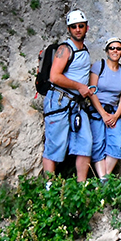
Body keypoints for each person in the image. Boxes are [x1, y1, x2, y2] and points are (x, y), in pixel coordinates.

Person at [42, 10, 93, 182]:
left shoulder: (83, 50)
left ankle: (81, 186)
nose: (78, 29)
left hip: (76, 104)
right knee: (55, 144)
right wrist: (79, 86)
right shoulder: (65, 49)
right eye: (74, 26)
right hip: (59, 101)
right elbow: (54, 77)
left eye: (81, 26)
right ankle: (49, 188)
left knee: (85, 143)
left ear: (86, 27)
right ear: (69, 29)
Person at [88, 37, 121, 182]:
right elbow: (92, 91)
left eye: (118, 48)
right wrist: (103, 114)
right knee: (98, 143)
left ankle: (103, 178)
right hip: (97, 110)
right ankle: (104, 180)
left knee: (116, 143)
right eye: (112, 48)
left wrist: (115, 116)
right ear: (107, 51)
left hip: (113, 111)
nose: (115, 51)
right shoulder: (98, 66)